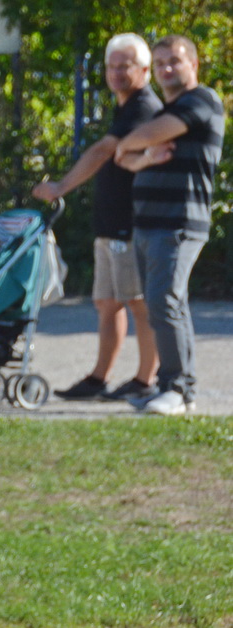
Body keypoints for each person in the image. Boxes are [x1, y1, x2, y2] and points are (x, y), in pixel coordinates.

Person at [31, 33, 162, 401]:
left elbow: (105, 151)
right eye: (112, 66)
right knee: (107, 303)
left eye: (126, 66)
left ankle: (144, 380)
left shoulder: (144, 107)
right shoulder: (124, 107)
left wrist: (60, 187)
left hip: (132, 223)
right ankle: (99, 378)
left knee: (138, 302)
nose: (118, 73)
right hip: (109, 224)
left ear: (145, 70)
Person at [113, 34, 224, 415]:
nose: (166, 69)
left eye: (174, 61)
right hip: (148, 225)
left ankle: (178, 390)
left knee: (165, 302)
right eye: (159, 64)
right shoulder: (166, 111)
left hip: (178, 224)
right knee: (165, 305)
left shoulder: (202, 101)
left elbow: (139, 140)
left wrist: (134, 146)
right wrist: (141, 157)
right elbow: (125, 158)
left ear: (194, 64)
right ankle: (171, 386)